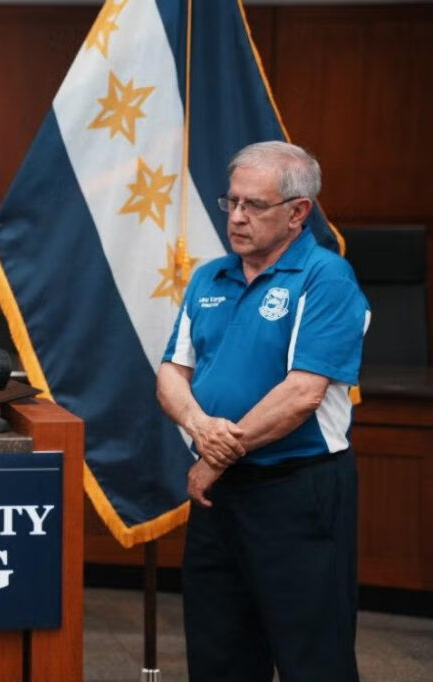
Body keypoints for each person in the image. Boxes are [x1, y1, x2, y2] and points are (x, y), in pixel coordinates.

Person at [156, 141, 369, 681]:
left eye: (255, 205)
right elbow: (171, 374)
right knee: (218, 652)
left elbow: (302, 393)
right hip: (220, 498)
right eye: (232, 203)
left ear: (298, 213)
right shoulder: (209, 278)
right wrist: (201, 427)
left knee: (312, 656)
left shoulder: (327, 278)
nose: (238, 217)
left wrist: (216, 456)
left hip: (297, 492)